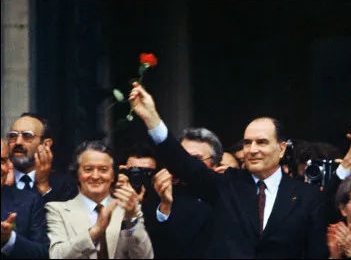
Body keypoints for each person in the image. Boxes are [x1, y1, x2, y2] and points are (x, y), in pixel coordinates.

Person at [128, 82, 328, 258]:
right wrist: (152, 119)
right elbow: (184, 165)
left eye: (262, 142)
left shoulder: (306, 196)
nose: (252, 150)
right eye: (247, 143)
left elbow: (315, 253)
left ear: (281, 148)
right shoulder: (227, 184)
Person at [45, 141, 154, 259]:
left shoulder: (129, 208)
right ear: (77, 174)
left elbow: (146, 257)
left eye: (103, 169)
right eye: (88, 169)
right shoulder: (57, 210)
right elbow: (56, 255)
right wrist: (95, 231)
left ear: (113, 176)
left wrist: (131, 222)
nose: (95, 176)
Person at [152, 127, 220, 258]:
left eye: (195, 159)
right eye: (181, 159)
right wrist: (165, 206)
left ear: (215, 164)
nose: (185, 165)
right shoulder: (159, 193)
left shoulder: (227, 194)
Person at [6, 113, 78, 203]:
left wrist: (43, 186)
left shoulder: (64, 185)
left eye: (27, 136)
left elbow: (62, 216)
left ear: (46, 144)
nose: (18, 142)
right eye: (13, 136)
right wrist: (5, 189)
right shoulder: (3, 180)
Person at [1, 138, 49, 259]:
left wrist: (9, 240)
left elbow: (43, 254)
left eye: (2, 161)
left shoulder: (30, 201)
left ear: (9, 165)